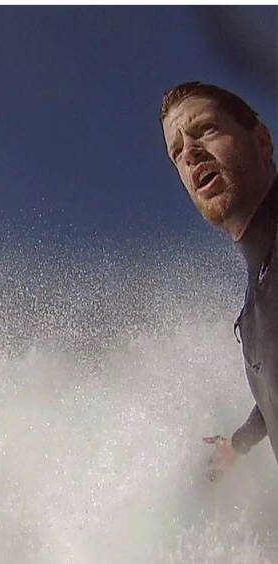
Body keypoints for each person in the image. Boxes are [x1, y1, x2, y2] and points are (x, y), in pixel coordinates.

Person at [160, 81, 278, 481]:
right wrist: (238, 443)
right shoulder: (252, 312)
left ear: (262, 141)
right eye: (176, 152)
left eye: (206, 130)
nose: (189, 152)